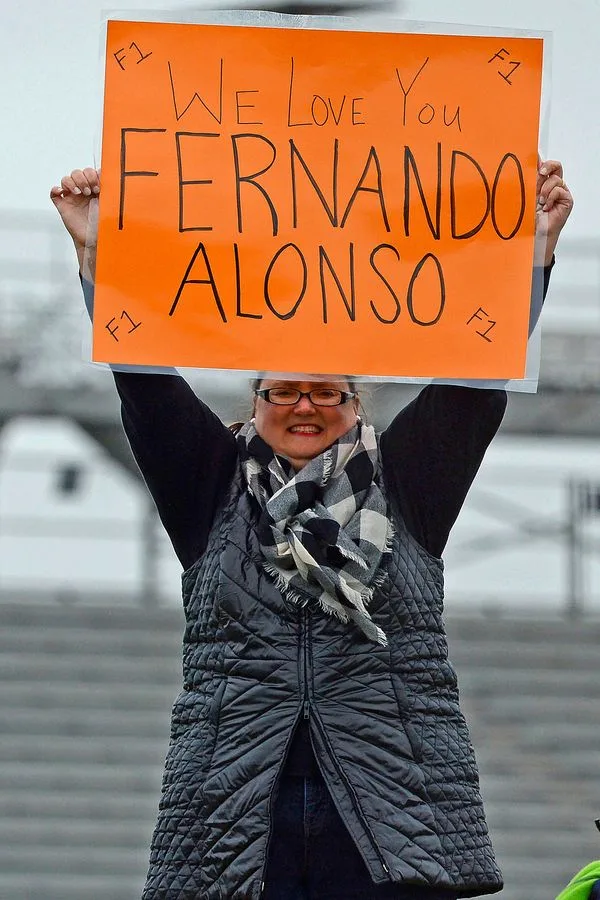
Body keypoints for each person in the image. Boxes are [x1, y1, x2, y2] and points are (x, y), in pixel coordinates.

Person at [51, 159, 572, 900]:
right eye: (284, 391)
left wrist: (532, 254)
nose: (304, 405)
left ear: (356, 405)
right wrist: (99, 255)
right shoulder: (208, 484)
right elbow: (144, 383)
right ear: (254, 402)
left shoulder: (409, 483)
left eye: (327, 391)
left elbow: (474, 388)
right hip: (234, 816)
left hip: (391, 813)